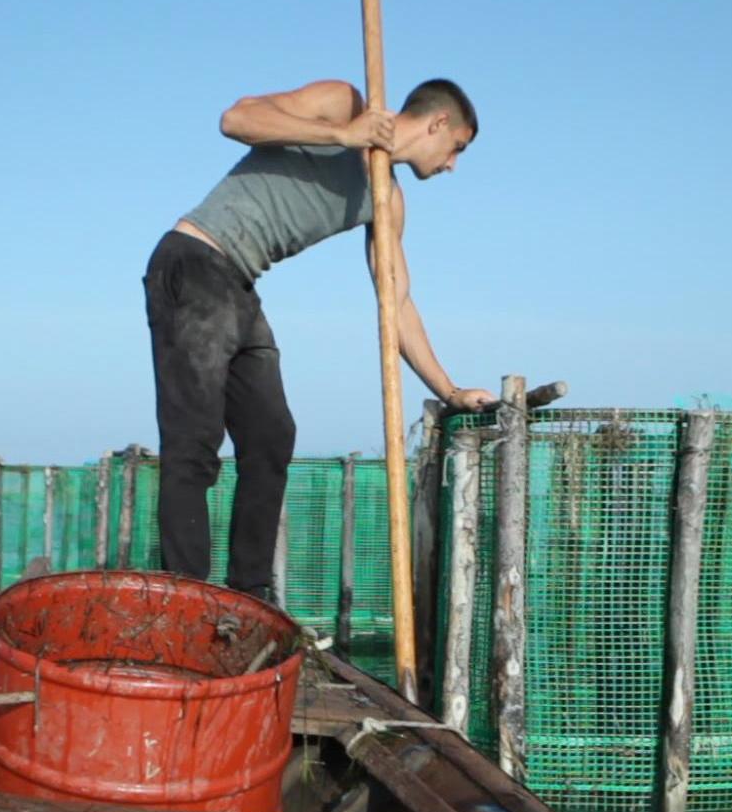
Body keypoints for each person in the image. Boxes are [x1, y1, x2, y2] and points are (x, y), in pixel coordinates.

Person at [143, 77, 493, 601]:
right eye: (456, 149)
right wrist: (344, 135)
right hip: (194, 259)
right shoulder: (343, 104)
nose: (452, 165)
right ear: (437, 123)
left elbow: (395, 304)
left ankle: (248, 594)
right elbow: (236, 119)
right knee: (195, 439)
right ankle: (186, 598)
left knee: (271, 434)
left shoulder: (386, 200)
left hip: (240, 283)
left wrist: (450, 391)